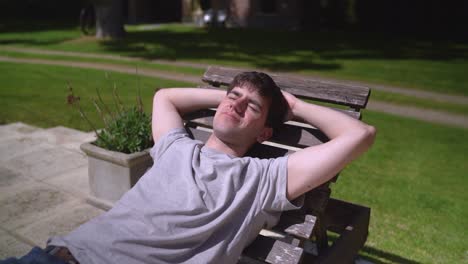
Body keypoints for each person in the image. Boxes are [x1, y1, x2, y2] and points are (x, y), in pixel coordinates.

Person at [1, 72, 376, 264]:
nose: (236, 105)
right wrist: (230, 95)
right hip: (54, 255)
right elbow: (164, 96)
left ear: (264, 133)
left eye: (252, 107)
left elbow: (360, 135)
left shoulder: (262, 179)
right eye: (233, 97)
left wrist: (292, 105)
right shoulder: (176, 147)